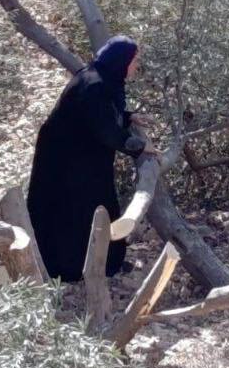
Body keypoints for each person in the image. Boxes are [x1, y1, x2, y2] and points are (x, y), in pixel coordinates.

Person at [27, 35, 150, 282]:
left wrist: (127, 117)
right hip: (67, 160)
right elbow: (105, 129)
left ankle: (102, 264)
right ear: (120, 61)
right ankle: (69, 270)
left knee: (91, 206)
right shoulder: (94, 84)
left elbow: (100, 115)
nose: (136, 66)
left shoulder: (100, 78)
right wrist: (139, 147)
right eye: (134, 61)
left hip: (80, 155)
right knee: (74, 210)